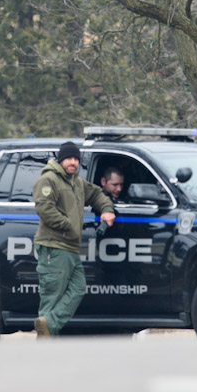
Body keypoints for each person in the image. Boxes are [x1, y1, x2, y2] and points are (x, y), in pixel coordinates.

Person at [32, 141, 115, 337]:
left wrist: (107, 210)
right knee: (52, 297)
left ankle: (49, 324)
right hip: (54, 246)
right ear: (61, 160)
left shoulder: (76, 182)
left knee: (78, 288)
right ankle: (45, 351)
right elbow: (44, 208)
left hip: (69, 247)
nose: (73, 162)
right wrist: (69, 225)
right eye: (69, 158)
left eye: (76, 159)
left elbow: (96, 194)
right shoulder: (49, 180)